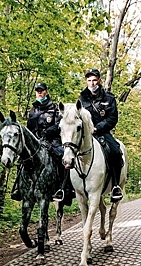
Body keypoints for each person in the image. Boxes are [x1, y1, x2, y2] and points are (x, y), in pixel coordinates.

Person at [54, 68, 123, 203]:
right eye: (89, 80)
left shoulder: (109, 98)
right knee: (67, 154)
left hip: (102, 133)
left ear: (99, 81)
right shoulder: (81, 98)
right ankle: (64, 188)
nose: (92, 83)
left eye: (94, 80)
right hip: (84, 135)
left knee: (115, 151)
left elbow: (112, 118)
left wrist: (98, 128)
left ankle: (115, 186)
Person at [11, 83, 71, 202]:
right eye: (37, 90)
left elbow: (59, 125)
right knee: (21, 160)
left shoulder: (54, 108)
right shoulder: (32, 112)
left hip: (52, 141)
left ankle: (65, 189)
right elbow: (28, 130)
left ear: (46, 92)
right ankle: (19, 189)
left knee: (63, 157)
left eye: (42, 90)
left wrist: (46, 132)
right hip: (36, 142)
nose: (39, 92)